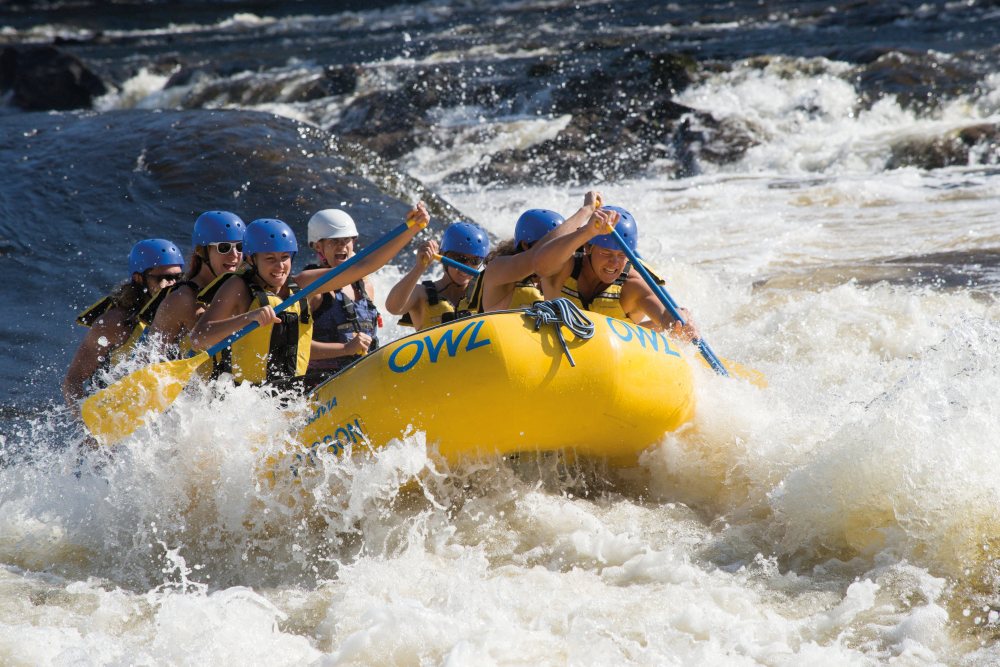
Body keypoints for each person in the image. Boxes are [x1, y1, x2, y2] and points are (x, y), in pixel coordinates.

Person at [189, 203, 428, 390]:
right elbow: (199, 338)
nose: (279, 267)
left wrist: (412, 229)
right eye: (270, 259)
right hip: (249, 396)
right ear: (252, 259)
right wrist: (248, 317)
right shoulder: (237, 287)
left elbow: (362, 266)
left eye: (285, 257)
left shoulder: (302, 284)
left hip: (293, 393)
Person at [532, 205, 698, 337]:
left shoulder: (633, 285)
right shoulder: (564, 268)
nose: (614, 263)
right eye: (606, 253)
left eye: (622, 255)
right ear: (588, 247)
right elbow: (540, 264)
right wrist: (586, 230)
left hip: (619, 349)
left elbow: (663, 315)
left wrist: (677, 319)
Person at [63, 238, 185, 407]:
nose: (173, 285)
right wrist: (83, 419)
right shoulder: (115, 323)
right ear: (139, 278)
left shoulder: (183, 315)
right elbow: (73, 380)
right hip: (112, 413)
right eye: (164, 278)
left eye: (178, 278)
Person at [463, 191, 604, 314]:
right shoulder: (497, 269)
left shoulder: (564, 272)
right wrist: (586, 210)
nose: (555, 252)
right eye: (551, 245)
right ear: (525, 245)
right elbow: (538, 257)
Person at [145, 210, 246, 358]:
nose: (235, 255)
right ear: (201, 251)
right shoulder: (182, 300)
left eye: (240, 247)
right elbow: (148, 362)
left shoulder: (241, 290)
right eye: (223, 248)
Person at [302, 208, 380, 383]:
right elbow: (294, 346)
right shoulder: (313, 291)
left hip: (363, 377)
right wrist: (345, 348)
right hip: (322, 382)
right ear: (318, 246)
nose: (342, 246)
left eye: (347, 240)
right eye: (334, 241)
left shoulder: (365, 287)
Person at [384, 221, 489, 330]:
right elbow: (393, 307)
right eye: (460, 259)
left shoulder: (485, 294)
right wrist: (420, 267)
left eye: (475, 261)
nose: (467, 266)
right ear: (442, 255)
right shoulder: (421, 293)